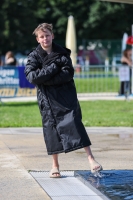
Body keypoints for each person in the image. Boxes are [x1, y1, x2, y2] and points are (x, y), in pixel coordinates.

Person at [24, 23, 103, 178]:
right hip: (47, 100)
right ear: (37, 39)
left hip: (66, 97)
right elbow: (32, 77)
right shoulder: (34, 56)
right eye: (42, 36)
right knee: (51, 130)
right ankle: (55, 165)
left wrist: (45, 79)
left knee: (76, 123)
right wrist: (53, 68)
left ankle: (91, 159)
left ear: (52, 36)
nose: (45, 38)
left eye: (47, 35)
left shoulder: (63, 54)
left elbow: (67, 74)